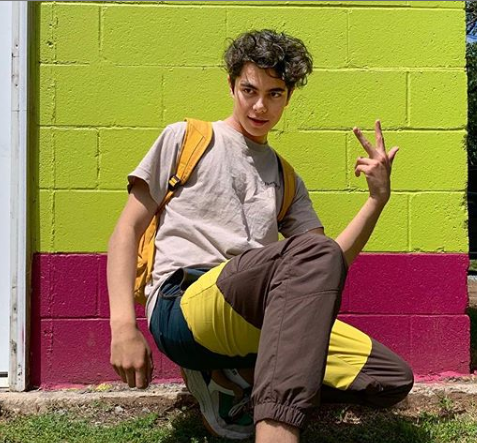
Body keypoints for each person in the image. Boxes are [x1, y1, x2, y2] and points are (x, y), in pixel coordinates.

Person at [108, 29, 413, 443]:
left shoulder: (286, 177)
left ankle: (237, 378)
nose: (259, 106)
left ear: (288, 97)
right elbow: (126, 229)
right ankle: (274, 430)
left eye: (274, 94)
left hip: (257, 312)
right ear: (231, 84)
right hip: (184, 304)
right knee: (310, 253)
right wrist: (123, 327)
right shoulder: (187, 138)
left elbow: (327, 263)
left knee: (390, 377)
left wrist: (377, 200)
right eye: (249, 90)